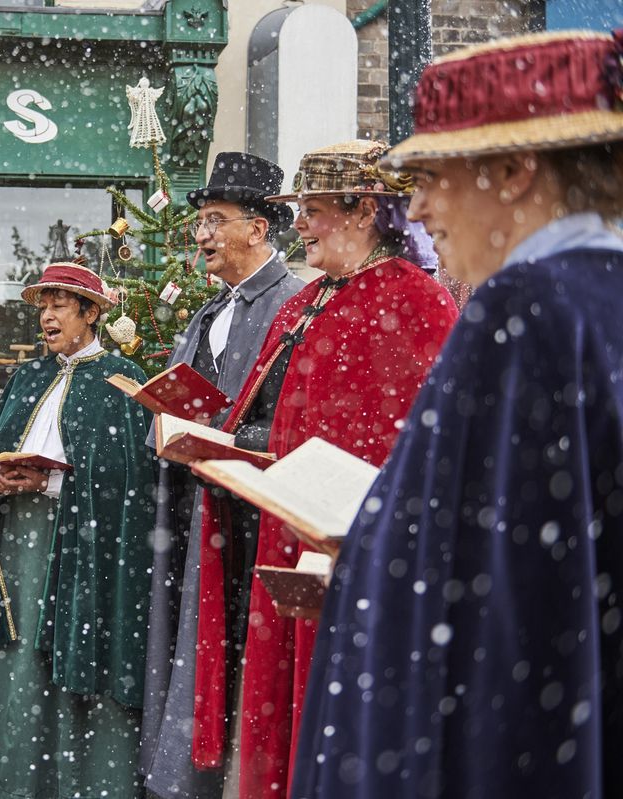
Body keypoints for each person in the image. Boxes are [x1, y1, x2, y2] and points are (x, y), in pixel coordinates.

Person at [292, 30, 623, 799]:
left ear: (513, 171)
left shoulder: (526, 309)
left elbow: (496, 608)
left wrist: (372, 564)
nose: (418, 208)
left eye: (434, 176)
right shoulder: (597, 303)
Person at [211, 139, 459, 799]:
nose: (299, 225)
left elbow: (432, 453)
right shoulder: (305, 303)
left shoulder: (418, 303)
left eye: (313, 209)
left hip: (361, 556)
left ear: (364, 212)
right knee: (282, 709)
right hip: (285, 541)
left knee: (347, 719)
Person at [0, 261, 158, 798]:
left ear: (91, 312)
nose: (46, 315)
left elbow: (131, 481)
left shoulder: (122, 381)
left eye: (59, 304)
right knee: (21, 662)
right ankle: (18, 784)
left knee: (81, 647)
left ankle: (89, 785)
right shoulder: (27, 377)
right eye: (42, 305)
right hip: (19, 554)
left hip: (86, 549)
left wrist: (52, 487)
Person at [141, 152, 304, 799]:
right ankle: (190, 778)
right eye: (200, 222)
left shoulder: (294, 307)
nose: (202, 235)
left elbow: (301, 430)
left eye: (215, 220)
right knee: (195, 657)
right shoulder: (206, 314)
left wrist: (226, 438)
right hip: (194, 521)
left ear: (259, 228)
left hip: (251, 529)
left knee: (242, 667)